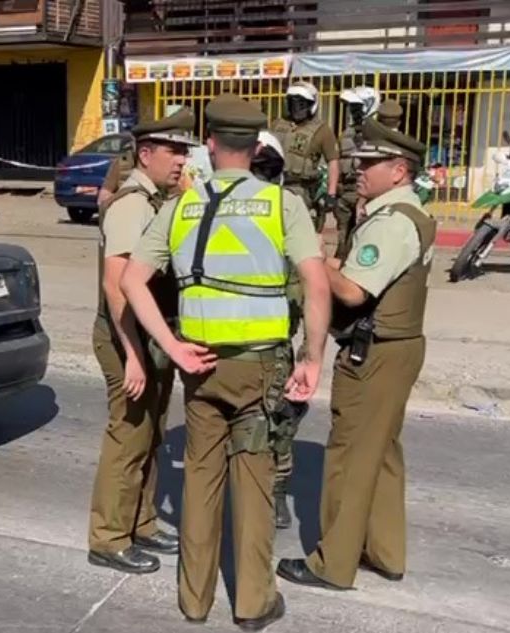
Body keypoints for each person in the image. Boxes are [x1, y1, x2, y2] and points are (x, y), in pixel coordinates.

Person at [120, 94, 330, 630]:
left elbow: (130, 281)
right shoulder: (282, 203)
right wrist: (313, 358)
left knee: (200, 481)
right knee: (255, 484)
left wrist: (171, 346)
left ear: (209, 145)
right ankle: (253, 603)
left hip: (199, 367)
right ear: (258, 144)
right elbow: (315, 280)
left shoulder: (178, 206)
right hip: (258, 368)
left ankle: (194, 600)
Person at [277, 119, 434, 591]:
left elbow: (351, 290)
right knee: (382, 454)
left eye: (370, 164)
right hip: (396, 347)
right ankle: (384, 552)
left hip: (377, 352)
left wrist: (314, 258)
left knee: (349, 457)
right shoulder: (407, 212)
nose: (358, 170)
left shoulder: (393, 223)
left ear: (400, 170)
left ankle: (334, 563)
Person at [87, 108, 196, 575]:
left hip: (151, 337)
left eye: (185, 151)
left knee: (151, 434)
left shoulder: (159, 200)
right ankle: (108, 538)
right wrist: (132, 353)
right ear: (146, 154)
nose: (182, 160)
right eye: (174, 151)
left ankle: (142, 522)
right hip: (123, 337)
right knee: (128, 437)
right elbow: (117, 287)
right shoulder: (132, 203)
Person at [249, 131, 311, 531]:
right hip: (233, 337)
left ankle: (275, 493)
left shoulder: (289, 210)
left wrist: (308, 350)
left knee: (281, 419)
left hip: (275, 337)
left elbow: (306, 280)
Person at [273, 82, 340, 232]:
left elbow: (333, 162)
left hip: (302, 190)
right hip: (276, 186)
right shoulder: (278, 125)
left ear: (311, 104)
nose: (296, 109)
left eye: (301, 104)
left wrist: (331, 193)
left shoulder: (322, 130)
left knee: (300, 231)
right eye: (293, 103)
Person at [336, 87, 380, 255]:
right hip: (345, 194)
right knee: (342, 244)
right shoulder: (347, 133)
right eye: (351, 107)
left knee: (363, 241)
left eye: (356, 107)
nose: (352, 111)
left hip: (365, 194)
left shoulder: (377, 133)